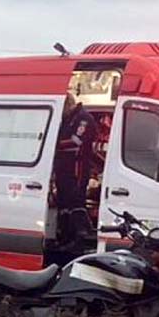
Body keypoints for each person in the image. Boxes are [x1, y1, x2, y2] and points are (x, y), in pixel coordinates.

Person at [55, 93, 98, 246]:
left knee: (76, 202)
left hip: (76, 170)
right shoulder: (67, 119)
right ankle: (64, 236)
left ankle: (80, 238)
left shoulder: (83, 119)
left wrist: (52, 145)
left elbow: (76, 141)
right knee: (63, 203)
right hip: (63, 169)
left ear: (67, 105)